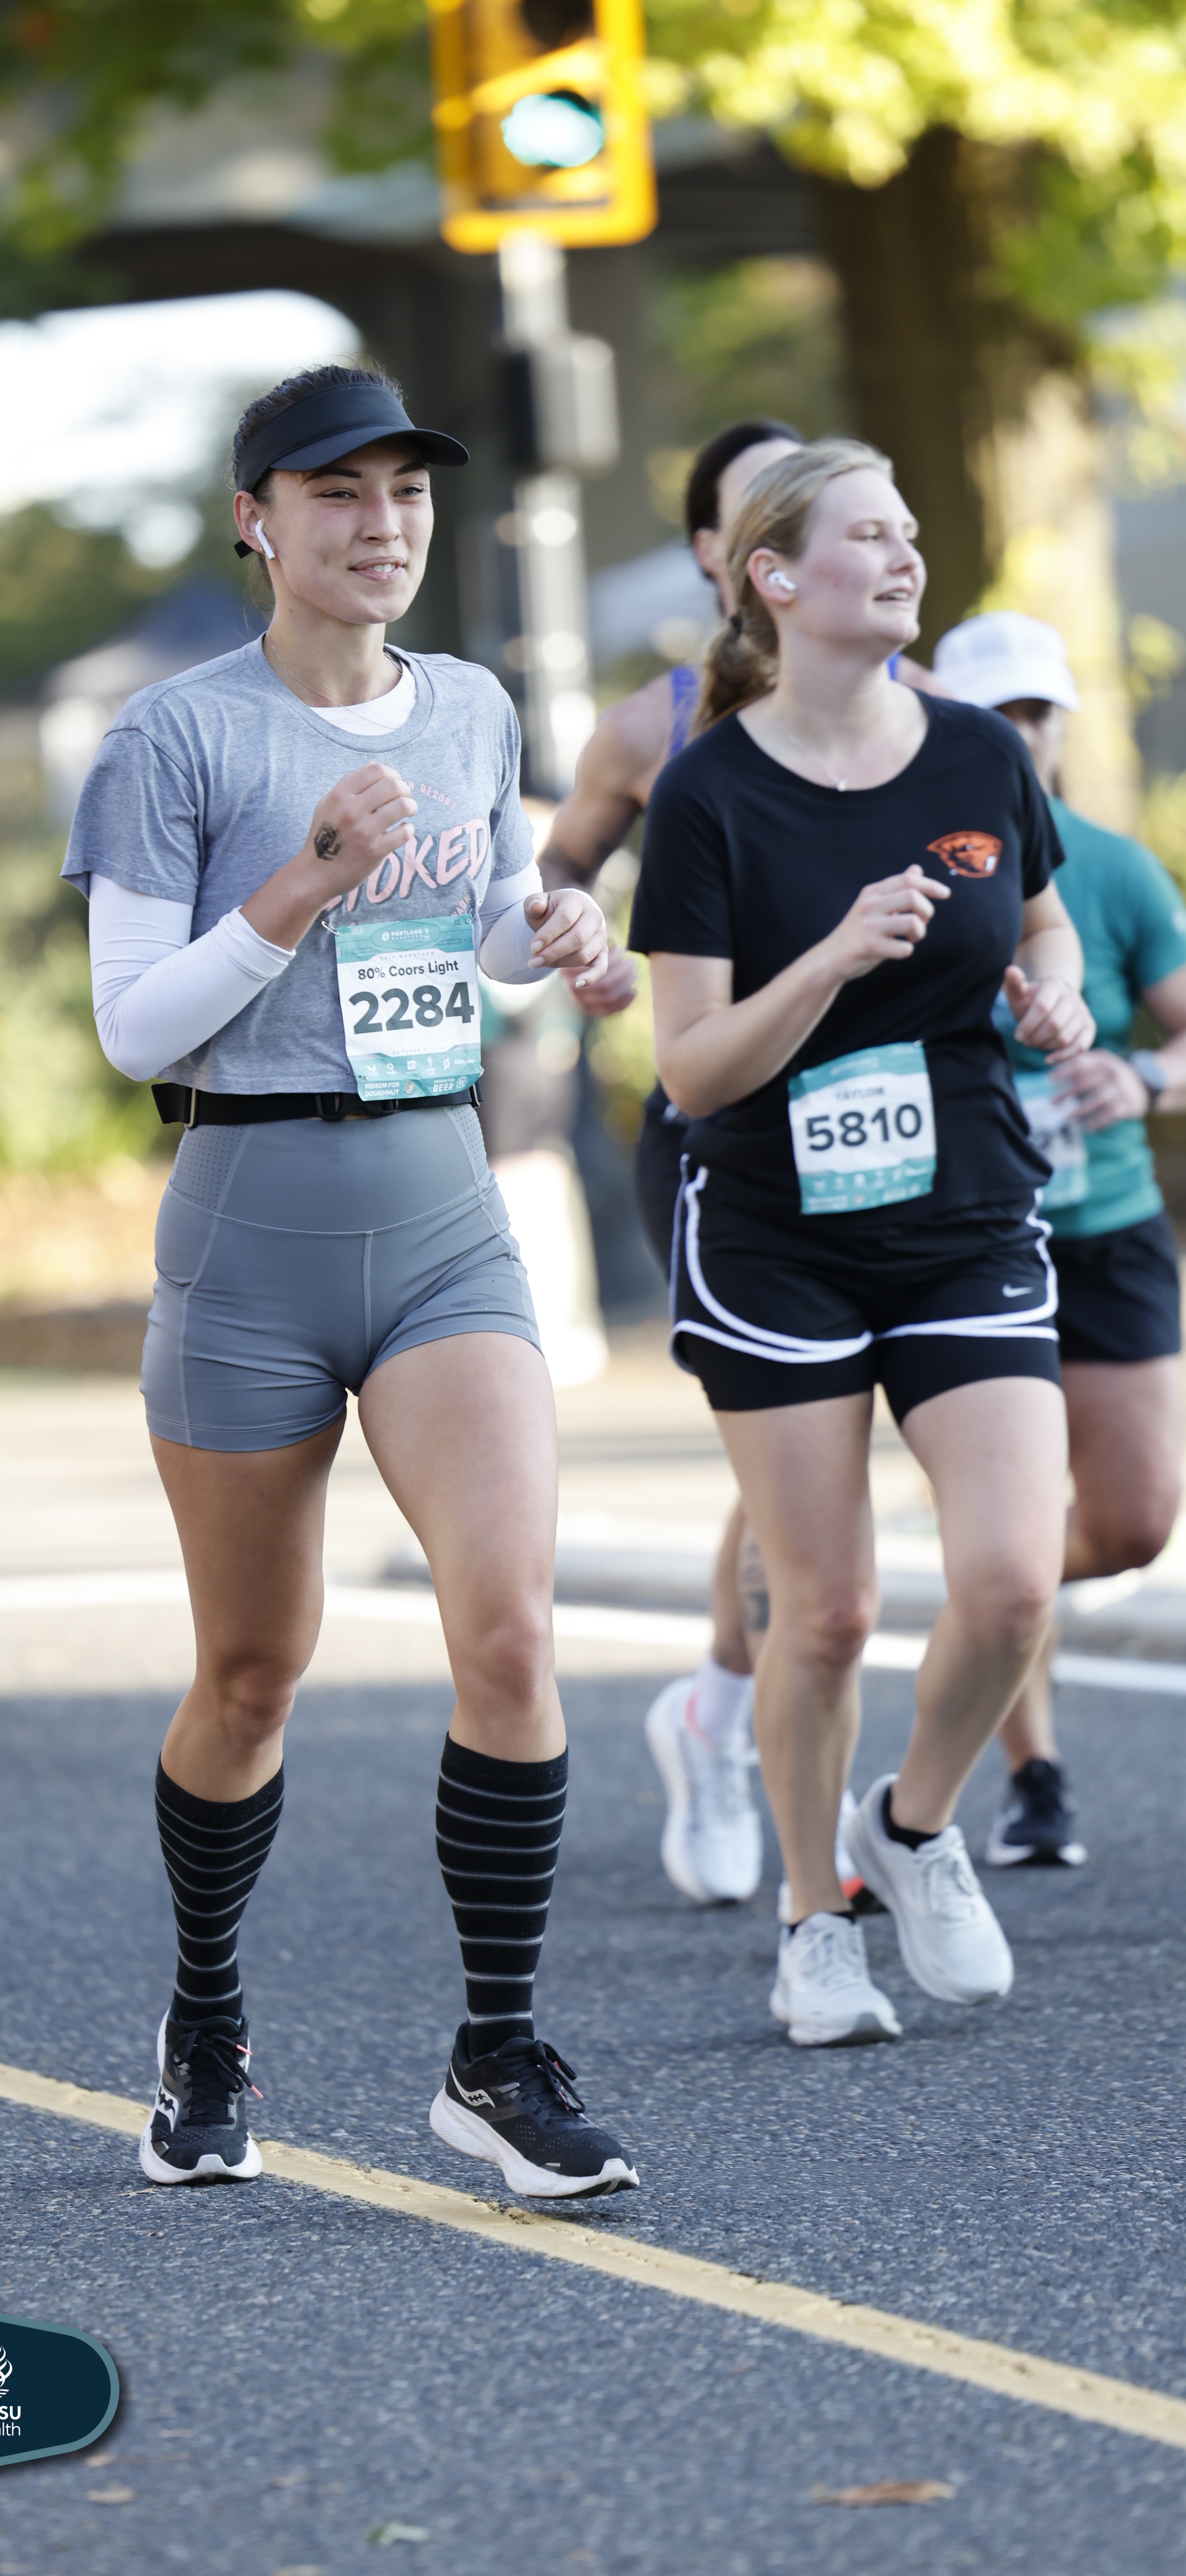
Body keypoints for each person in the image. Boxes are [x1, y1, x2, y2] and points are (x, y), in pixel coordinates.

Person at [64, 362, 638, 2197]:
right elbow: (133, 1026)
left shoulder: (470, 706)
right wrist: (302, 882)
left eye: (406, 492)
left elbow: (477, 930)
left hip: (441, 1208)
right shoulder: (172, 739)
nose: (382, 525)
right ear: (257, 522)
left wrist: (556, 930)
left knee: (513, 1631)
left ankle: (496, 2053)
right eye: (337, 493)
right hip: (249, 1226)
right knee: (253, 1674)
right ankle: (207, 2019)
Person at [627, 439, 1096, 2048]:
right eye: (869, 536)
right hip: (779, 1238)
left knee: (1013, 1582)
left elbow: (1044, 921)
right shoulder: (709, 792)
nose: (906, 558)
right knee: (822, 1613)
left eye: (909, 534)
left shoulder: (977, 753)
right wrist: (830, 958)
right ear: (773, 575)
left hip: (964, 1216)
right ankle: (811, 1921)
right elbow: (693, 1070)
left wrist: (1055, 1001)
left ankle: (912, 1826)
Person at [542, 419, 945, 1911]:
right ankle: (736, 1734)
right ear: (729, 556)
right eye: (758, 509)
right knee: (785, 1460)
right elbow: (558, 869)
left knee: (834, 1460)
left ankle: (725, 1706)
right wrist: (574, 941)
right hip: (725, 1125)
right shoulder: (655, 731)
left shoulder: (925, 707)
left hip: (899, 1118)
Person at [935, 611, 1186, 1868]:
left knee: (1137, 1521)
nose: (1020, 738)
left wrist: (1143, 1077)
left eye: (1037, 715)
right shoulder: (916, 863)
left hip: (1111, 1226)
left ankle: (988, 1591)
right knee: (1018, 1526)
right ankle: (1033, 1772)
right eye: (996, 718)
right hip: (977, 1238)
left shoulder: (1119, 869)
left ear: (1062, 729)